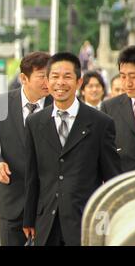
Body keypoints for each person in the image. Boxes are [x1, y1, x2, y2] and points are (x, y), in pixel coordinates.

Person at [23, 52, 121, 246]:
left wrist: (110, 222)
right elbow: (32, 175)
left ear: (78, 82)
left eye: (67, 76)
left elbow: (112, 179)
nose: (60, 82)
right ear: (48, 81)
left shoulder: (101, 123)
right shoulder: (35, 122)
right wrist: (29, 218)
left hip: (83, 221)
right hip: (46, 222)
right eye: (55, 76)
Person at [0, 52, 52, 246]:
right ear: (23, 78)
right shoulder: (1, 103)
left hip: (49, 203)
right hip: (12, 199)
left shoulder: (60, 105)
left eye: (50, 75)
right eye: (42, 76)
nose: (48, 82)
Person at [101, 46, 135, 172]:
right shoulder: (109, 107)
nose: (127, 83)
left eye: (133, 76)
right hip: (123, 186)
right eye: (123, 76)